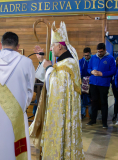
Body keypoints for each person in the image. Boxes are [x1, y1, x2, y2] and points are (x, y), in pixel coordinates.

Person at [29, 21, 85, 159]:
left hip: (63, 109)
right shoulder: (64, 62)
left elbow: (55, 85)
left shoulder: (67, 64)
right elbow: (50, 78)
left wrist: (48, 68)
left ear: (60, 46)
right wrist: (43, 61)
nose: (51, 49)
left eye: (53, 46)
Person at [0, 32, 35, 160]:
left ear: (0, 44)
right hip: (16, 117)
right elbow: (30, 91)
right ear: (18, 46)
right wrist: (20, 107)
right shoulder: (26, 63)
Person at [86, 43, 116, 128]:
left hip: (103, 84)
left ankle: (104, 122)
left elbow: (113, 71)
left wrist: (102, 73)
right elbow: (88, 68)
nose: (99, 53)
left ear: (105, 50)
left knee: (103, 103)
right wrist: (91, 72)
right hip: (93, 83)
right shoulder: (93, 58)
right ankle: (93, 120)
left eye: (101, 51)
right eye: (98, 51)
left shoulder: (110, 58)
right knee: (94, 102)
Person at [79, 47, 92, 119]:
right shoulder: (80, 61)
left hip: (91, 82)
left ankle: (91, 114)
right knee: (82, 97)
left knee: (91, 98)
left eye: (88, 55)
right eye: (85, 55)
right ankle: (82, 113)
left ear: (90, 54)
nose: (86, 57)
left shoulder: (93, 60)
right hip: (82, 82)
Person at [112, 56, 118, 121]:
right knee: (116, 100)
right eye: (117, 61)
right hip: (114, 87)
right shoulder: (114, 68)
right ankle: (115, 114)